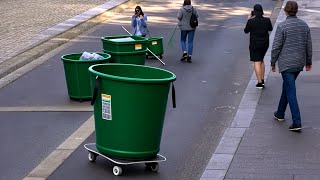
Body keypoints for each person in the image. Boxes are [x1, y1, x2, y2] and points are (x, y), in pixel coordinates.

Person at [271, 1, 312, 131]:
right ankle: (280, 113)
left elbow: (276, 46)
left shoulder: (282, 26)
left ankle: (297, 121)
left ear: (286, 11)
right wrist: (308, 61)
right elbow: (308, 45)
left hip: (286, 63)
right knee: (288, 87)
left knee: (291, 91)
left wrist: (273, 62)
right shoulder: (304, 25)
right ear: (296, 11)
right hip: (299, 62)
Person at [244, 4, 273, 89]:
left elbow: (246, 31)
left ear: (254, 12)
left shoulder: (251, 21)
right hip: (265, 44)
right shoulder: (267, 20)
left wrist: (249, 19)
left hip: (255, 44)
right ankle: (262, 79)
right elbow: (270, 29)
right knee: (261, 60)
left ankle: (260, 83)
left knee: (257, 61)